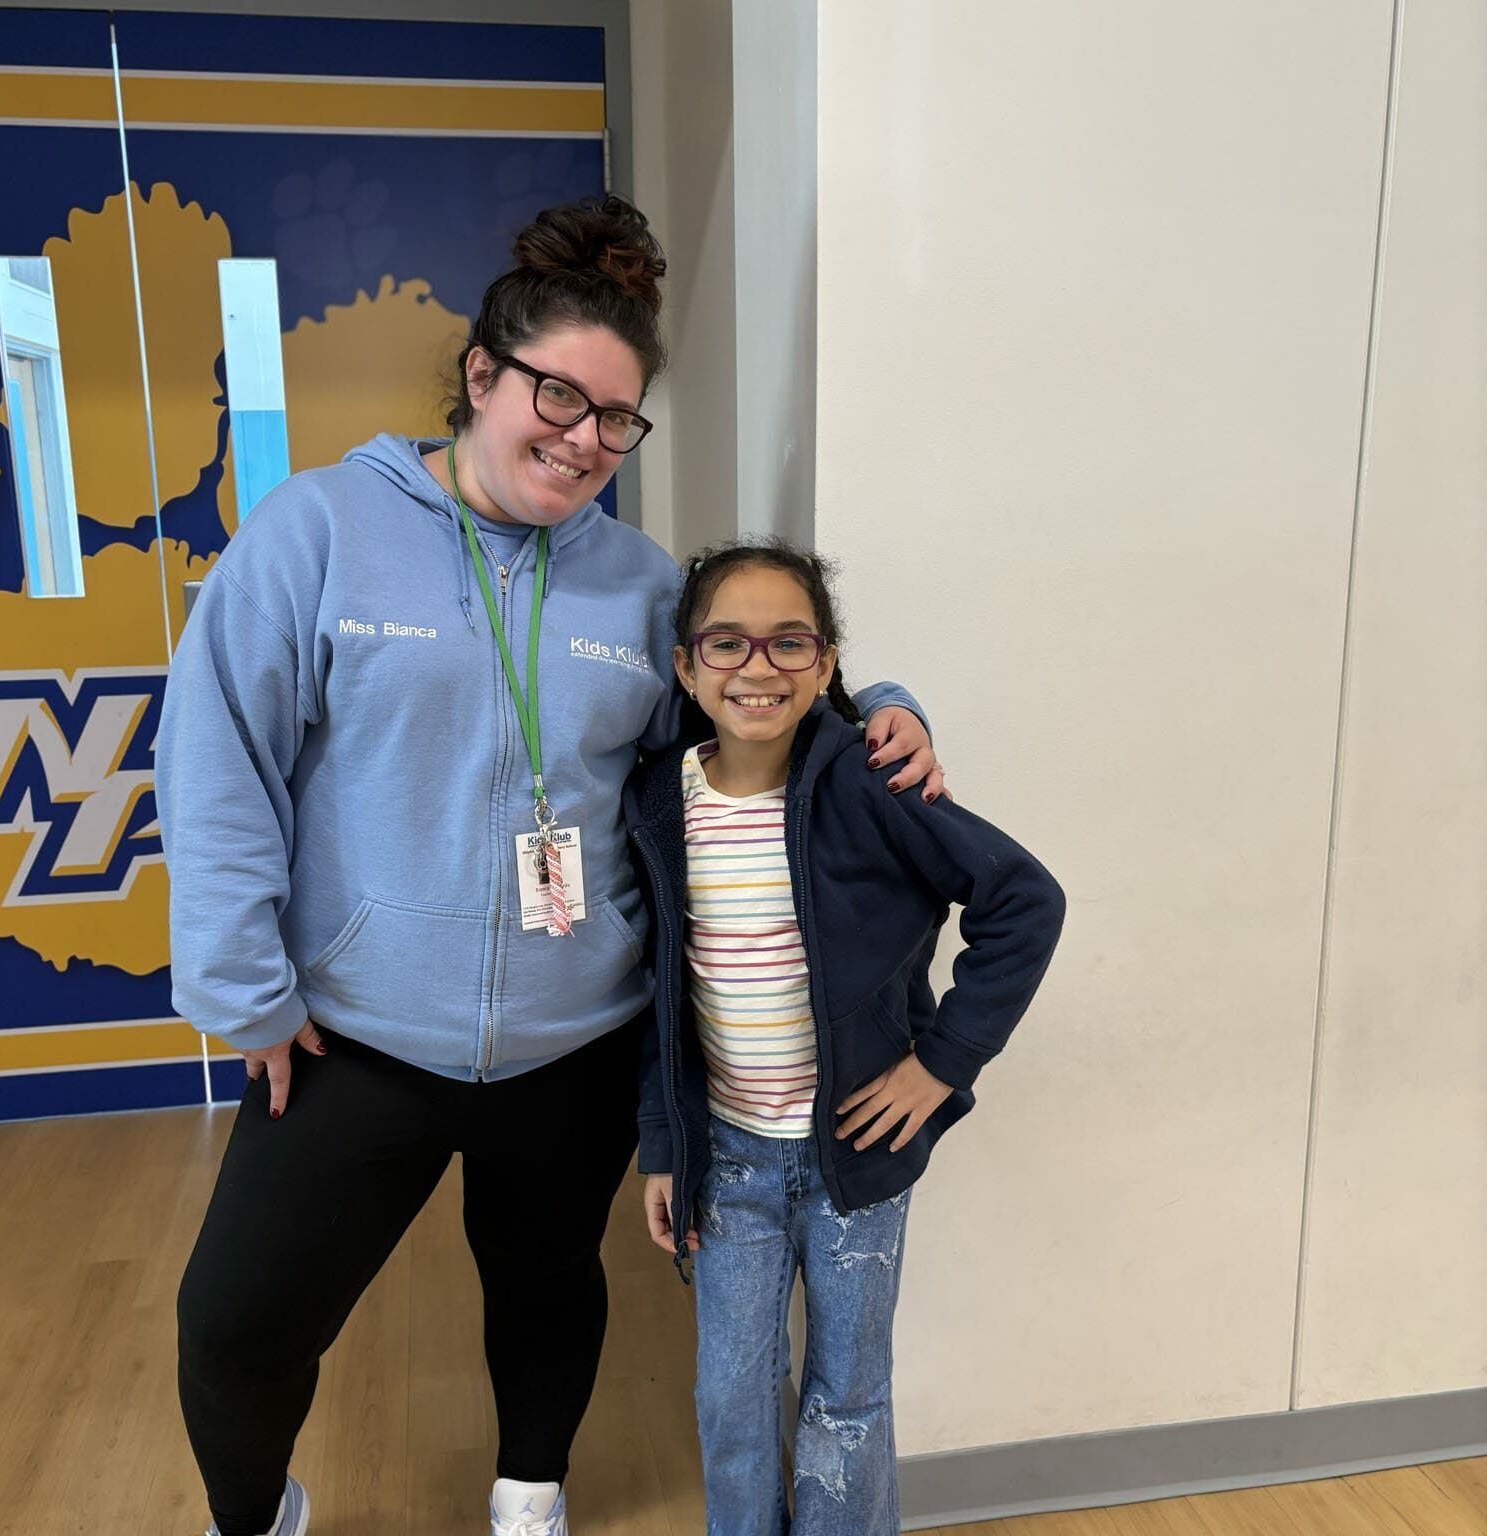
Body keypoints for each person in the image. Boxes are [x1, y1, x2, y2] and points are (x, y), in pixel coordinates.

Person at [154, 197, 942, 1536]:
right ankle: (255, 1515)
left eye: (615, 419)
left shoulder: (639, 586)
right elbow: (217, 757)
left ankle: (531, 1489)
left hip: (577, 1036)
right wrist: (248, 991)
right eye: (557, 398)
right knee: (234, 1324)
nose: (583, 440)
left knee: (546, 1286)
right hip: (353, 1034)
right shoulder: (322, 533)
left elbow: (763, 697)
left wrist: (888, 707)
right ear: (481, 376)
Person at [630, 541, 1065, 1535]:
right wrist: (665, 1142)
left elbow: (1023, 901)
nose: (758, 667)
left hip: (858, 1162)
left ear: (827, 666)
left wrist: (942, 1065)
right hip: (725, 1166)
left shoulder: (873, 785)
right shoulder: (657, 800)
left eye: (791, 644)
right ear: (688, 666)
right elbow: (660, 996)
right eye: (727, 644)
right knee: (731, 1399)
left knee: (848, 1400)